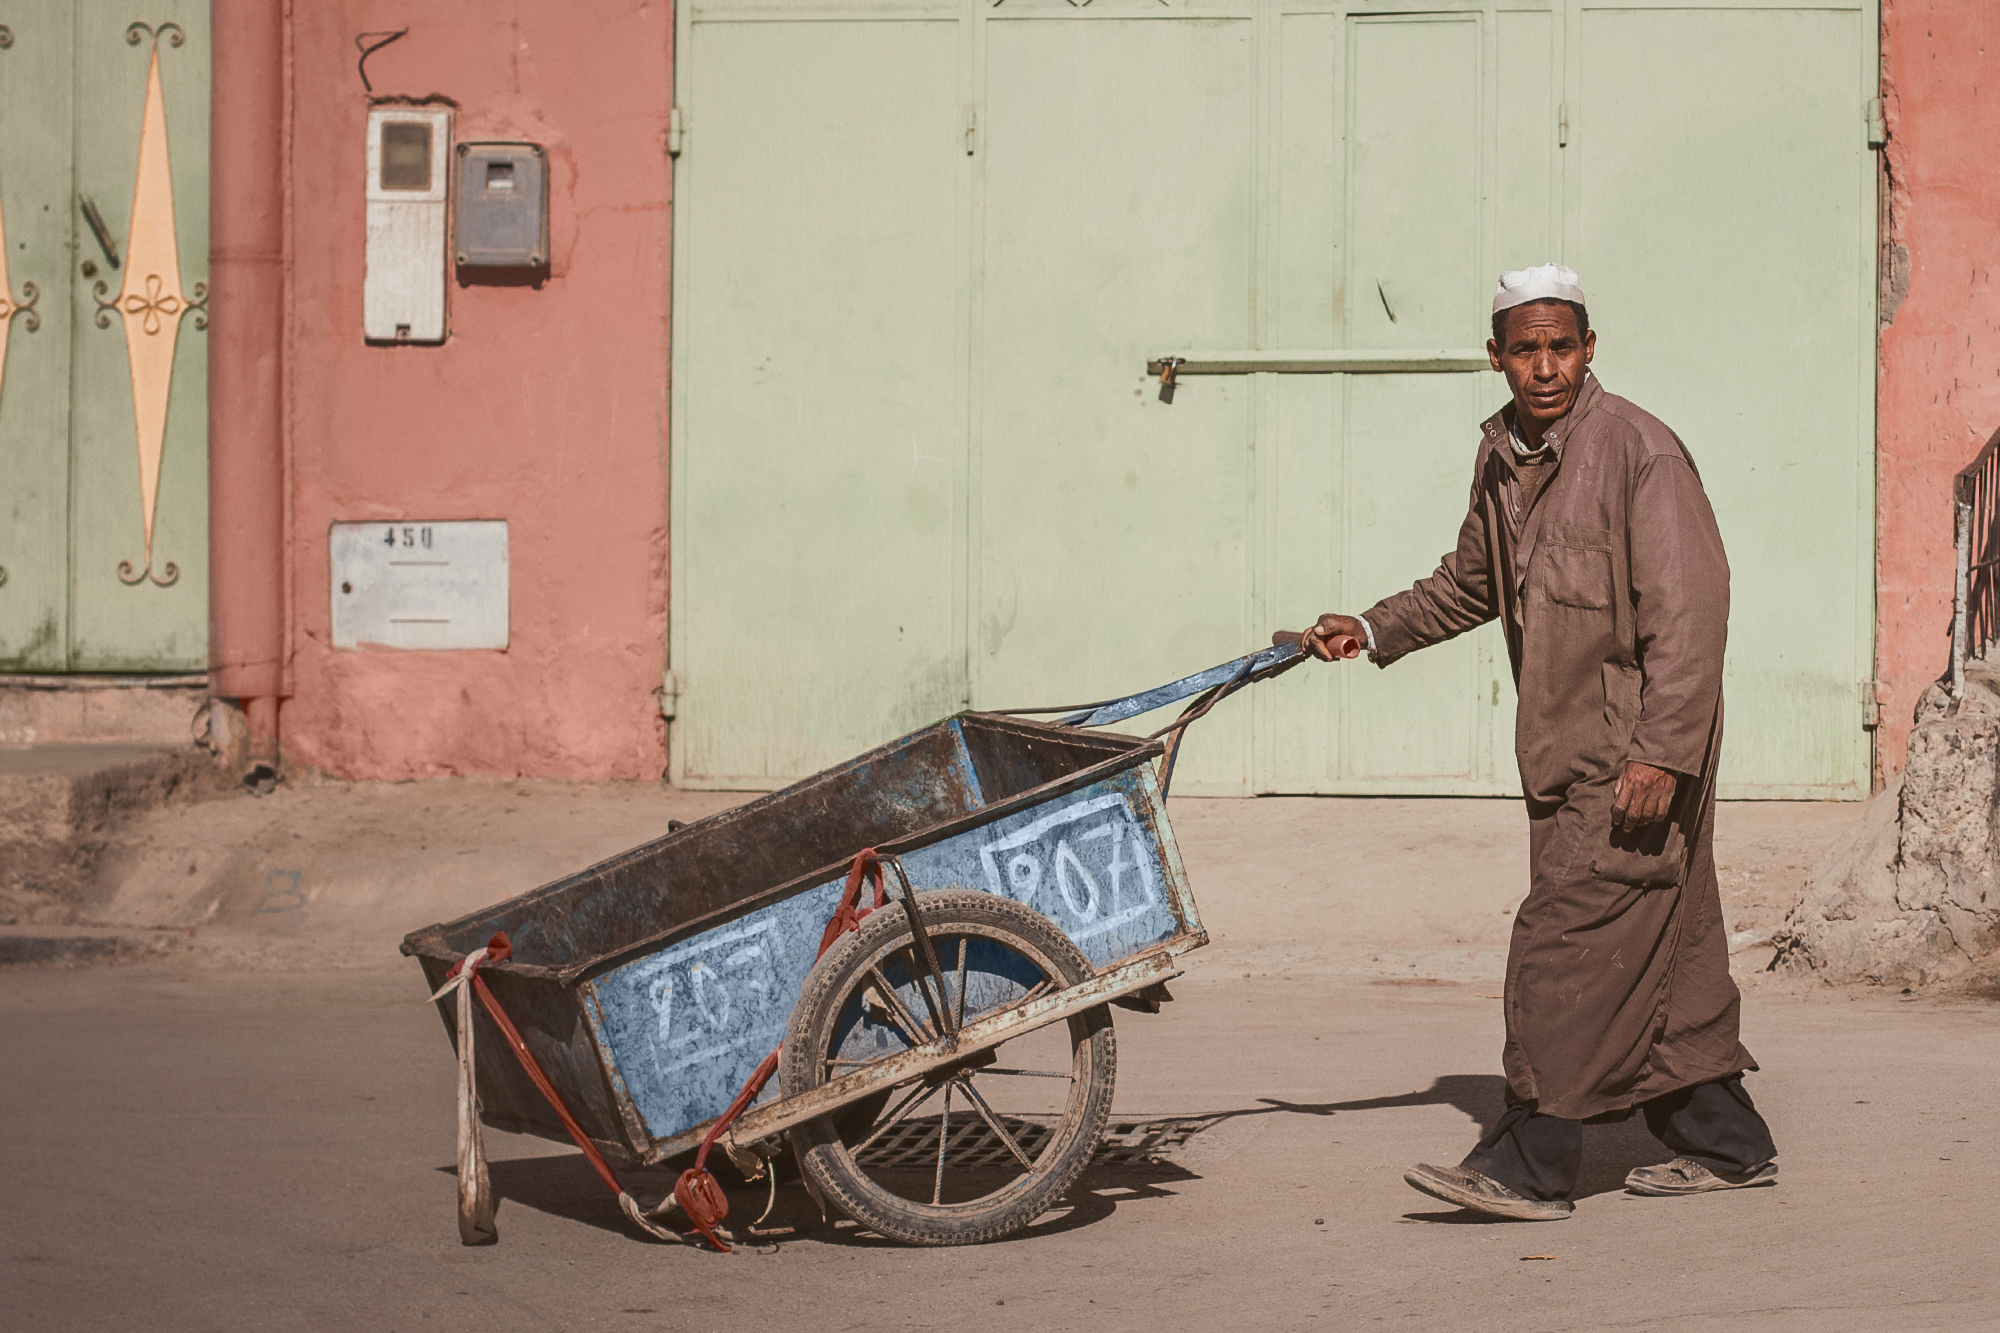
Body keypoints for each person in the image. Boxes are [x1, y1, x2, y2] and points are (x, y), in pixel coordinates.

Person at [1298, 264, 1777, 1221]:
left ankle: (1531, 1158)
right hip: (1564, 748)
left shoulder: (1641, 452)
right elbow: (1472, 582)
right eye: (1526, 349)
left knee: (1560, 944)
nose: (1545, 366)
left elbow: (1693, 611)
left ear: (1590, 349)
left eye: (1562, 345)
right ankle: (1724, 1139)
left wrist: (1664, 753)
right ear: (1497, 357)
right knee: (1666, 946)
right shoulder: (1505, 461)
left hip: (1632, 752)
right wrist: (1374, 625)